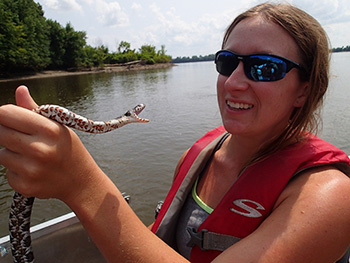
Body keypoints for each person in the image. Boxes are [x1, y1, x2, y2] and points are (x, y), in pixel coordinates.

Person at [1, 2, 350, 262]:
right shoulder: (196, 157)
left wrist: (81, 184)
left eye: (265, 67)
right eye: (227, 62)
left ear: (304, 90)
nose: (234, 82)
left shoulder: (330, 196)